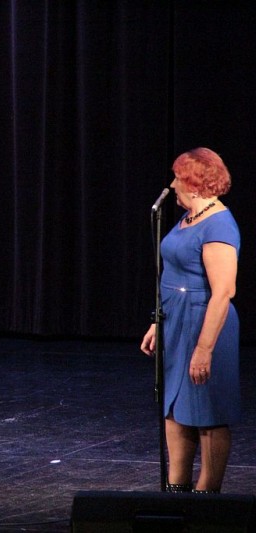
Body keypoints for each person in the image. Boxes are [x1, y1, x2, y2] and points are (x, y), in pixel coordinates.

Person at [140, 147, 240, 494]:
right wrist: (158, 321)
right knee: (175, 408)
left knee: (207, 410)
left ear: (194, 183)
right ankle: (176, 490)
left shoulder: (219, 225)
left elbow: (223, 291)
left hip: (204, 322)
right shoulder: (189, 218)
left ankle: (207, 496)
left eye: (178, 178)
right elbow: (173, 274)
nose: (172, 185)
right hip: (176, 320)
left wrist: (204, 348)